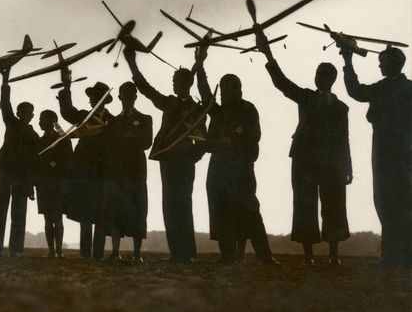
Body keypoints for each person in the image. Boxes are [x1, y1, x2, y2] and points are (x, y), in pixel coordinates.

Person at [255, 30, 352, 266]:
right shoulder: (306, 97)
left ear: (332, 79)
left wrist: (347, 166)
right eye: (319, 74)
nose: (321, 78)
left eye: (325, 75)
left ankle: (333, 255)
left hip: (331, 162)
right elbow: (282, 83)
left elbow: (344, 139)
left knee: (334, 205)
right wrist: (267, 52)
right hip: (304, 159)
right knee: (305, 204)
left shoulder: (341, 109)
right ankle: (308, 256)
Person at [195, 49, 278, 264]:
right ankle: (228, 257)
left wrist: (234, 141)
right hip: (218, 171)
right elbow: (205, 93)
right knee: (220, 212)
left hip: (241, 170)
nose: (224, 91)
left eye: (229, 87)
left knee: (250, 212)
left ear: (239, 89)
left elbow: (254, 137)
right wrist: (200, 64)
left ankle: (264, 256)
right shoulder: (218, 112)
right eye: (222, 87)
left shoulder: (249, 110)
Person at [124, 47, 206, 262]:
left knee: (184, 204)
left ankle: (187, 253)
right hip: (168, 158)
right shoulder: (168, 102)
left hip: (185, 160)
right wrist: (132, 63)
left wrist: (194, 156)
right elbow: (146, 89)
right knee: (169, 204)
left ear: (187, 83)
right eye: (173, 81)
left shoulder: (197, 109)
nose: (174, 84)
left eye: (177, 81)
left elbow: (202, 138)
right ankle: (176, 253)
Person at [339, 45, 412, 268]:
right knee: (404, 203)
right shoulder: (408, 87)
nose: (379, 65)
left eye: (382, 62)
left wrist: (348, 62)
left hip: (385, 150)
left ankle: (391, 257)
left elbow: (356, 92)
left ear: (391, 64)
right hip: (406, 151)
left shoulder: (386, 87)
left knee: (386, 201)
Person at [58, 79, 114, 259]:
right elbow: (67, 111)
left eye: (95, 97)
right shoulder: (84, 116)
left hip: (102, 173)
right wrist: (66, 87)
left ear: (103, 100)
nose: (91, 100)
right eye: (91, 97)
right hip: (83, 172)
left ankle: (97, 254)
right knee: (84, 213)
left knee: (101, 214)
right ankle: (85, 253)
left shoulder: (114, 121)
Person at [0, 69, 38, 257]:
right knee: (0, 208)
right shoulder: (11, 122)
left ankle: (15, 249)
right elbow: (4, 104)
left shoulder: (34, 136)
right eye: (23, 111)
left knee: (19, 211)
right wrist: (5, 80)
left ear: (32, 115)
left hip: (22, 175)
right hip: (6, 168)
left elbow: (34, 161)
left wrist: (31, 185)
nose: (26, 114)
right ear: (18, 113)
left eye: (29, 112)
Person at [102, 82, 152, 262]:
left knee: (138, 207)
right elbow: (108, 145)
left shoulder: (146, 118)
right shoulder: (113, 121)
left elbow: (147, 142)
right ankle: (115, 251)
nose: (128, 97)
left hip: (136, 170)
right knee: (116, 208)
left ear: (136, 97)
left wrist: (127, 140)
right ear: (120, 97)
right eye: (125, 94)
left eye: (132, 93)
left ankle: (137, 253)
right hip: (117, 170)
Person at [35, 109, 71, 258]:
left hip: (58, 183)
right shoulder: (39, 141)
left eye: (43, 118)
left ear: (51, 121)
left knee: (57, 218)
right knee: (48, 219)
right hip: (43, 184)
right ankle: (51, 251)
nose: (40, 121)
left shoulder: (63, 138)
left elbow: (69, 158)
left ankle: (59, 250)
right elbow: (35, 163)